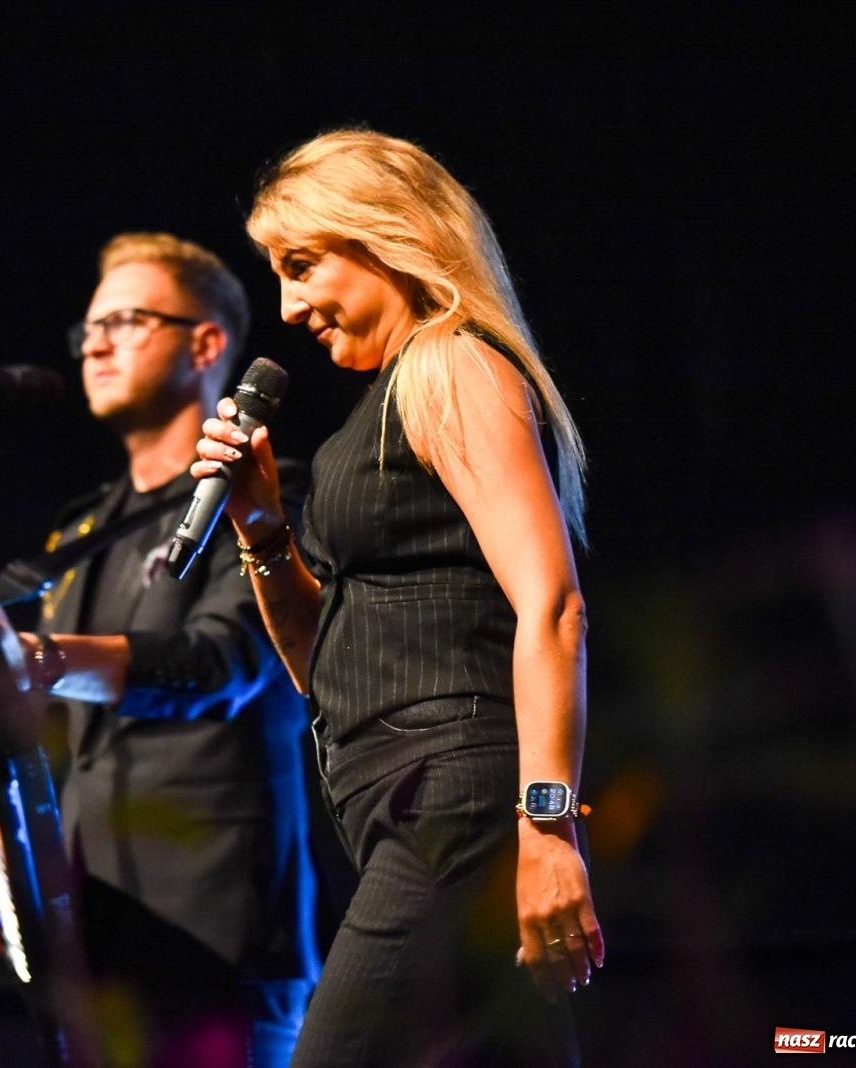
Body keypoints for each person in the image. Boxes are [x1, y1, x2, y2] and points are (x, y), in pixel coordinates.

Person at [194, 129, 603, 1066]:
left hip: (452, 801)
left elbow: (553, 606)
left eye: (302, 265)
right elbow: (321, 666)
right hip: (400, 801)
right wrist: (261, 528)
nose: (290, 307)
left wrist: (547, 827)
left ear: (387, 236)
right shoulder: (377, 411)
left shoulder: (452, 364)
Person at [0, 233, 321, 1067]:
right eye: (88, 330)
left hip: (217, 945)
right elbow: (39, 725)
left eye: (127, 320)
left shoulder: (272, 492)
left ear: (206, 343)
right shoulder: (78, 531)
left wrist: (42, 657)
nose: (97, 344)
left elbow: (226, 661)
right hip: (95, 950)